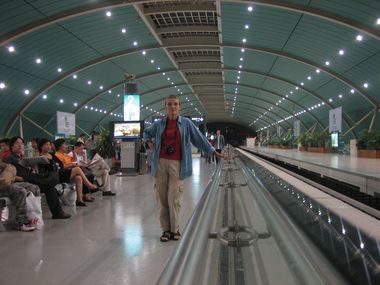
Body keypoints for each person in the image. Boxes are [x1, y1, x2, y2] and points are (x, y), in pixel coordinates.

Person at [143, 95, 224, 242]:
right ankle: (165, 230)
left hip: (178, 165)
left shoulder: (186, 123)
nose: (172, 107)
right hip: (159, 163)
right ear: (165, 106)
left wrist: (213, 151)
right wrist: (148, 142)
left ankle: (175, 229)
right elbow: (146, 133)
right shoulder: (160, 124)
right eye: (169, 104)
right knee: (161, 198)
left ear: (179, 106)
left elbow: (199, 138)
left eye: (175, 104)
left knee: (174, 198)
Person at [6, 136, 71, 219]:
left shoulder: (22, 157)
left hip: (32, 178)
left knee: (51, 184)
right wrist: (21, 179)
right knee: (51, 183)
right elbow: (7, 175)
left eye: (21, 143)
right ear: (12, 146)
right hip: (23, 181)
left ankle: (58, 213)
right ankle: (53, 183)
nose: (20, 145)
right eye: (17, 143)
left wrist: (32, 167)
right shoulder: (10, 158)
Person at [38, 138, 89, 207]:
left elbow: (62, 165)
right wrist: (70, 165)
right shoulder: (42, 157)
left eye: (49, 144)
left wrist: (73, 152)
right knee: (77, 169)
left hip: (61, 173)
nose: (49, 146)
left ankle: (79, 200)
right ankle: (89, 186)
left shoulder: (53, 155)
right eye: (46, 144)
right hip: (57, 175)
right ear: (41, 146)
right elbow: (55, 168)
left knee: (78, 178)